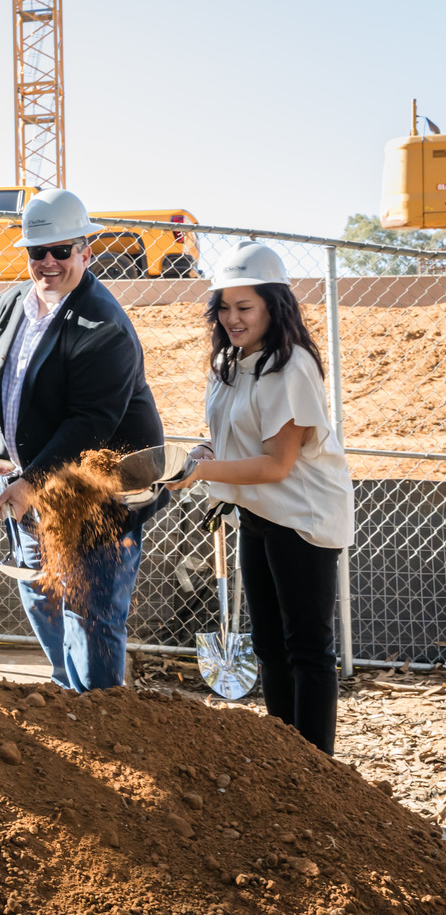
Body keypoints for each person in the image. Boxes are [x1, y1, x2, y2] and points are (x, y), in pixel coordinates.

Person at [0, 188, 166, 692]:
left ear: (86, 249)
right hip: (31, 482)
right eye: (38, 252)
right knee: (41, 592)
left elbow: (91, 424)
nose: (49, 262)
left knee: (91, 609)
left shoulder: (104, 324)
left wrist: (31, 480)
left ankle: (102, 714)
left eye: (62, 250)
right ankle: (70, 693)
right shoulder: (10, 304)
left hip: (97, 492)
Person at [168, 241, 353, 753]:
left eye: (244, 306)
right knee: (270, 644)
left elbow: (278, 463)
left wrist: (201, 471)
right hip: (257, 510)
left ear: (274, 304)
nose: (231, 317)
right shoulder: (228, 360)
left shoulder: (292, 366)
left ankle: (317, 766)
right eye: (223, 306)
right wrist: (207, 450)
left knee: (307, 648)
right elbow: (236, 437)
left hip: (303, 517)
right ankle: (286, 757)